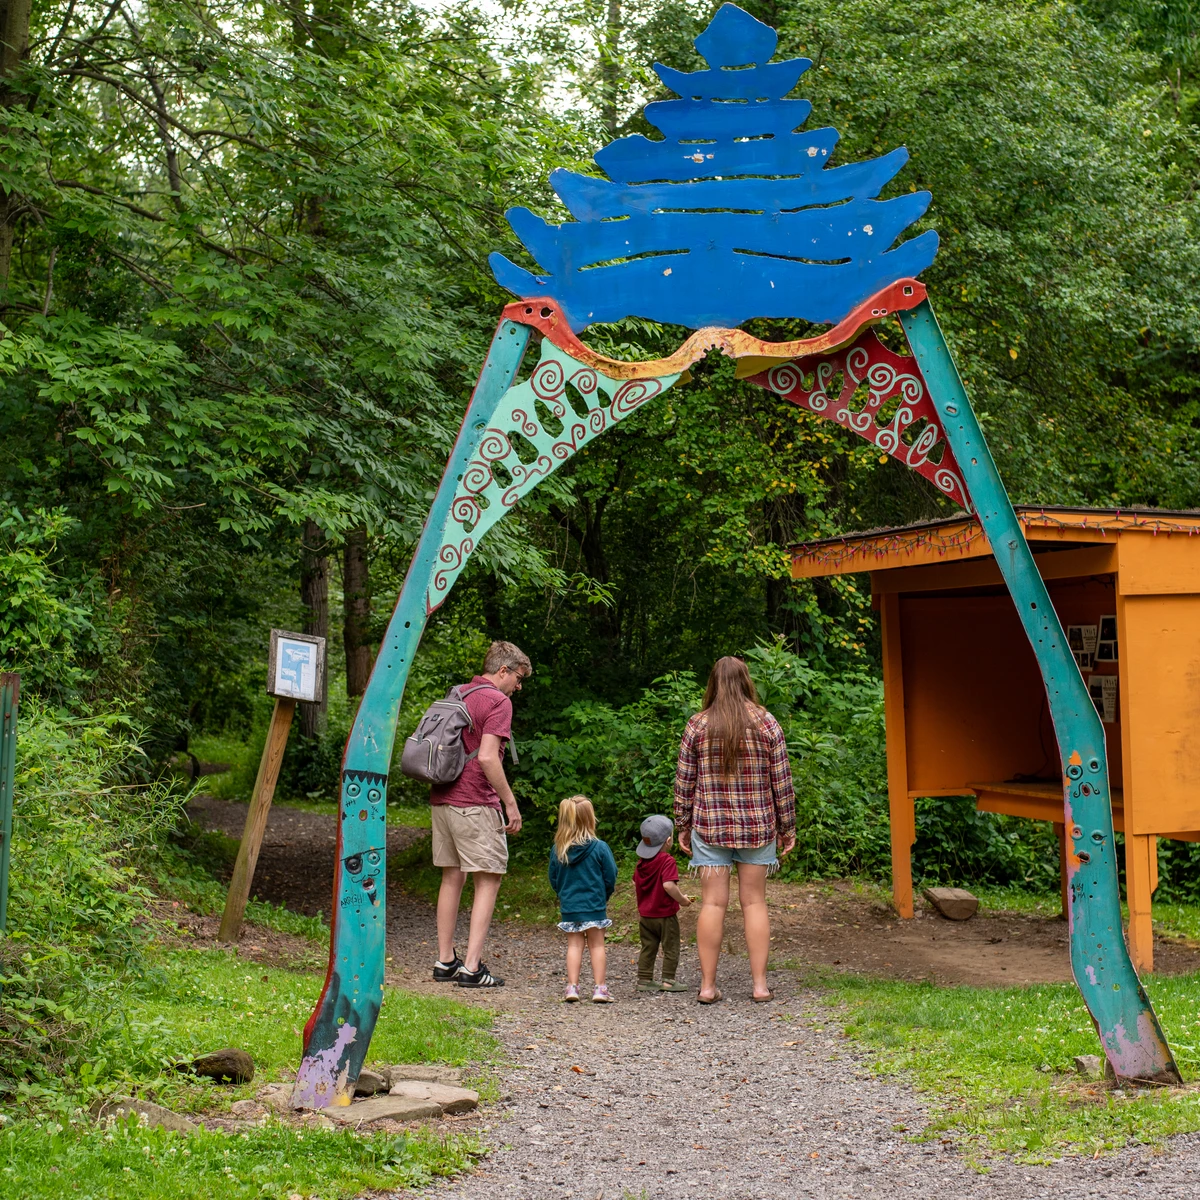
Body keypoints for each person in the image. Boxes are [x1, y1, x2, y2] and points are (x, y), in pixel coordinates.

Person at [674, 656, 796, 1004]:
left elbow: (684, 781)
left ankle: (707, 987)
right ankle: (759, 986)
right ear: (746, 681)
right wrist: (787, 827)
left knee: (713, 904)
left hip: (710, 826)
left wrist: (682, 823)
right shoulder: (767, 723)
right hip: (758, 828)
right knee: (755, 902)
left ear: (713, 682)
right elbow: (782, 783)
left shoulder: (697, 725)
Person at [430, 640, 530, 988]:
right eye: (518, 678)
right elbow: (487, 757)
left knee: (451, 878)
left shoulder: (460, 693)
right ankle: (472, 968)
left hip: (442, 799)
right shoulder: (497, 701)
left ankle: (445, 961)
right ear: (502, 670)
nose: (518, 686)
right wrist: (510, 802)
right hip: (475, 801)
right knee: (488, 879)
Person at [548, 795, 618, 1003]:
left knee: (574, 946)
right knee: (597, 946)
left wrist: (563, 895)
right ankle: (600, 989)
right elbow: (610, 875)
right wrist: (604, 895)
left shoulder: (558, 850)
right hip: (594, 905)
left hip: (570, 906)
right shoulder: (600, 847)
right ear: (590, 819)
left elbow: (554, 878)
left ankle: (572, 987)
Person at [633, 814, 693, 993]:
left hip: (646, 916)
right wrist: (682, 900)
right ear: (668, 840)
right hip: (665, 915)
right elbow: (668, 885)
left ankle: (644, 979)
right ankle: (668, 980)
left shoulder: (640, 864)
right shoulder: (667, 861)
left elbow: (636, 882)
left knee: (648, 947)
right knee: (671, 946)